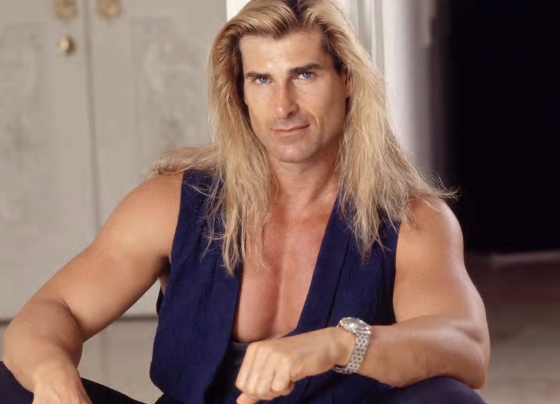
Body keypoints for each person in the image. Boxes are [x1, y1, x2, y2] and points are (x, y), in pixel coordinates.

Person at [0, 0, 490, 403]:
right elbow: (52, 310)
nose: (283, 106)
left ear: (347, 79)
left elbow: (465, 346)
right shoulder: (172, 204)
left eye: (304, 75)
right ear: (239, 93)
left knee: (447, 399)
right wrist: (51, 376)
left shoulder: (412, 220)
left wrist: (339, 343)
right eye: (261, 79)